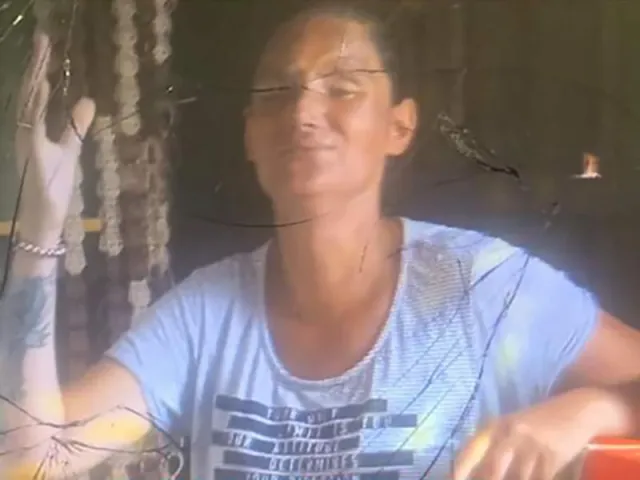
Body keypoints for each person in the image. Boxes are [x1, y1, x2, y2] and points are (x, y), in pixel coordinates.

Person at [2, 3, 640, 479]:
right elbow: (29, 455)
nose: (303, 113)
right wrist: (37, 233)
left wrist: (589, 412)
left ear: (399, 127)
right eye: (278, 94)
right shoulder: (204, 318)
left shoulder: (485, 287)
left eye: (342, 88)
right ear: (251, 136)